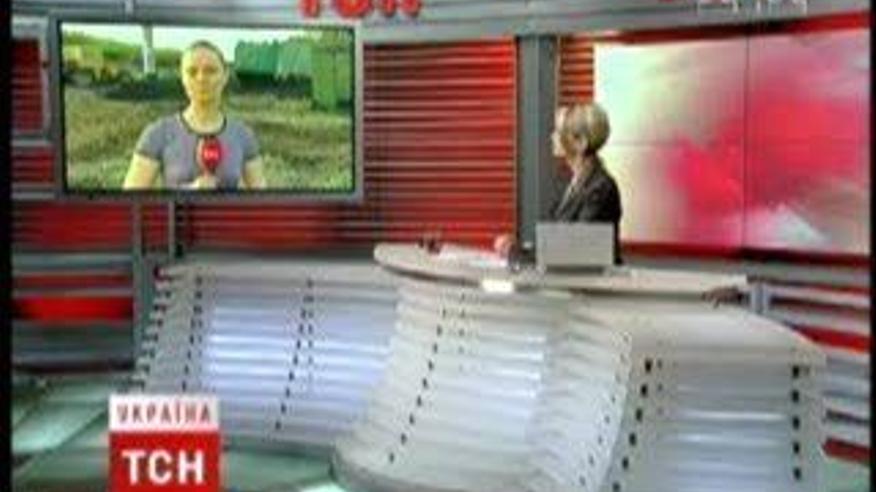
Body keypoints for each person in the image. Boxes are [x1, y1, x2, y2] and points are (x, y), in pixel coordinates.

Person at [123, 40, 267, 190]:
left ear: (225, 76)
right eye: (192, 72)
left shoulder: (243, 135)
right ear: (182, 78)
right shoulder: (158, 134)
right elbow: (131, 198)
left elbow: (262, 197)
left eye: (210, 71)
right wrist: (190, 190)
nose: (201, 79)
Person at [495, 102, 623, 264]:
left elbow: (571, 251)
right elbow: (553, 243)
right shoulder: (575, 183)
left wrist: (512, 252)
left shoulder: (601, 189)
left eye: (559, 132)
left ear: (581, 142)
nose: (552, 136)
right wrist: (521, 248)